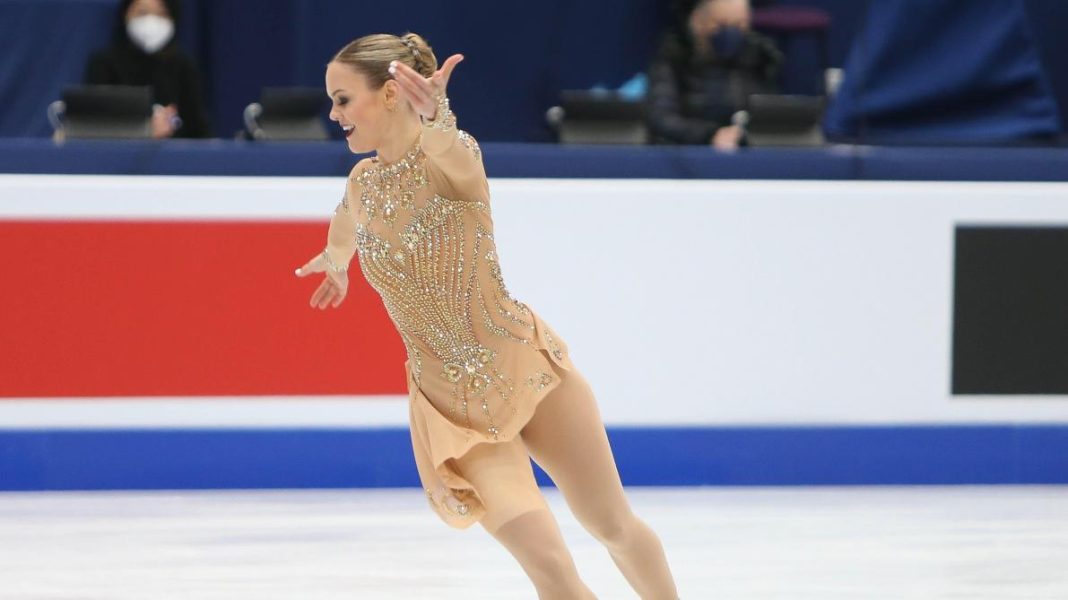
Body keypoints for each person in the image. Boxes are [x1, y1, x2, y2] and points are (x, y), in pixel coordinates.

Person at [295, 33, 681, 599]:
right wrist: (335, 261)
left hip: (525, 367)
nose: (333, 114)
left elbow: (452, 151)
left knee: (610, 524)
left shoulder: (455, 164)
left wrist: (439, 118)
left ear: (392, 95)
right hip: (453, 413)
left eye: (343, 99)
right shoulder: (362, 183)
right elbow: (347, 221)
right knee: (549, 566)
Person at [649, 0, 782, 149]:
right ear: (698, 22)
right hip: (688, 154)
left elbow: (770, 116)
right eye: (720, 25)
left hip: (746, 154)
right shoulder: (673, 56)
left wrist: (743, 135)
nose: (730, 32)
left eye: (739, 25)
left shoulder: (760, 57)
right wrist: (710, 134)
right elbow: (661, 119)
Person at [84, 0, 211, 139]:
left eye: (161, 14)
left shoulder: (184, 66)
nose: (151, 21)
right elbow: (92, 125)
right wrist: (142, 132)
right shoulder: (104, 63)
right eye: (142, 12)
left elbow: (199, 131)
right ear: (125, 15)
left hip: (174, 156)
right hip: (117, 155)